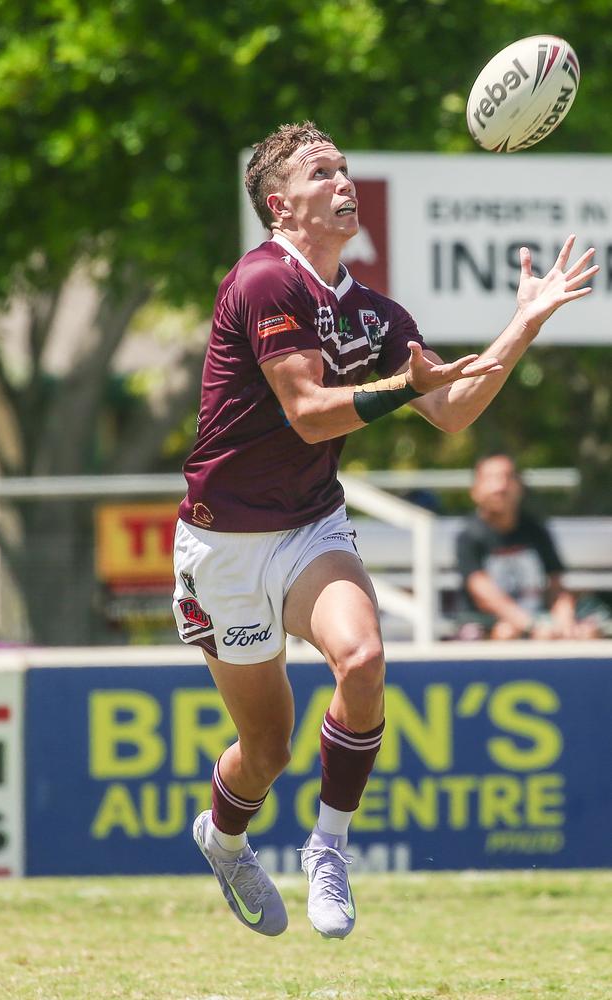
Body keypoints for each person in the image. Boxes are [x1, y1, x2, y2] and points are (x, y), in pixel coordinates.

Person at [172, 121, 597, 939]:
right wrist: (404, 381)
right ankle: (224, 839)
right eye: (321, 171)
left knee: (363, 659)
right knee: (266, 748)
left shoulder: (372, 310)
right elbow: (305, 412)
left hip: (308, 528)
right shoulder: (262, 281)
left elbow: (449, 411)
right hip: (223, 545)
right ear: (278, 204)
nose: (343, 181)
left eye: (345, 168)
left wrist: (523, 326)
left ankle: (328, 847)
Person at [455, 452, 603, 641]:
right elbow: (485, 595)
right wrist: (530, 625)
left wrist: (564, 617)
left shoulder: (535, 530)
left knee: (588, 631)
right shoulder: (470, 536)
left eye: (507, 478)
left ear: (520, 486)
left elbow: (555, 583)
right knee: (506, 633)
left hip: (539, 619)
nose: (500, 487)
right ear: (475, 489)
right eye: (491, 479)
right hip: (487, 622)